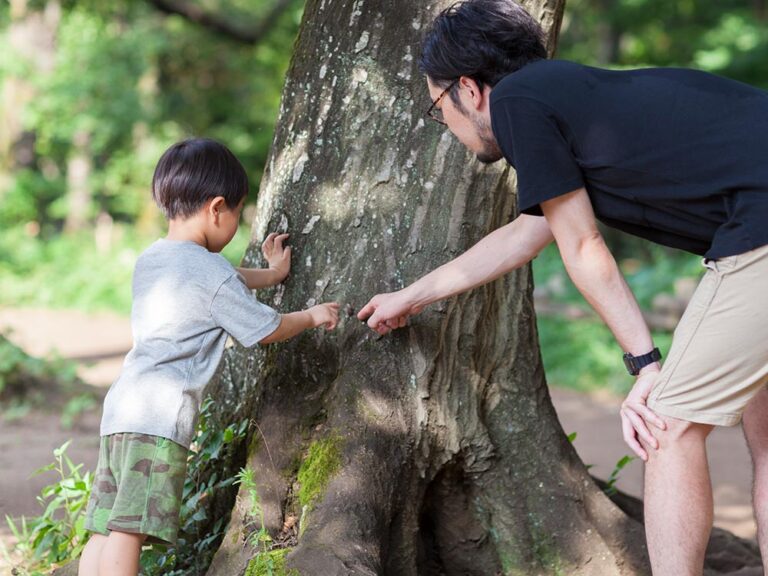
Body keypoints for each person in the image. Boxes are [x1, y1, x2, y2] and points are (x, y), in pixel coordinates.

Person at [357, 1, 768, 574]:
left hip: (760, 225)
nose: (446, 125)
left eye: (437, 107)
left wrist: (645, 365)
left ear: (470, 90)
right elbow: (530, 233)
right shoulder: (567, 97)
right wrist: (411, 297)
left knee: (666, 426)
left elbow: (583, 247)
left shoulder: (521, 102)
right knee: (764, 427)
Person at [78, 138, 339, 576]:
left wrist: (274, 274)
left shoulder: (154, 259)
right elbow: (266, 328)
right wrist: (310, 315)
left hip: (122, 410)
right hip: (158, 419)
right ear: (217, 208)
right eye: (238, 212)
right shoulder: (210, 272)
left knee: (105, 528)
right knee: (130, 530)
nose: (236, 223)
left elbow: (226, 280)